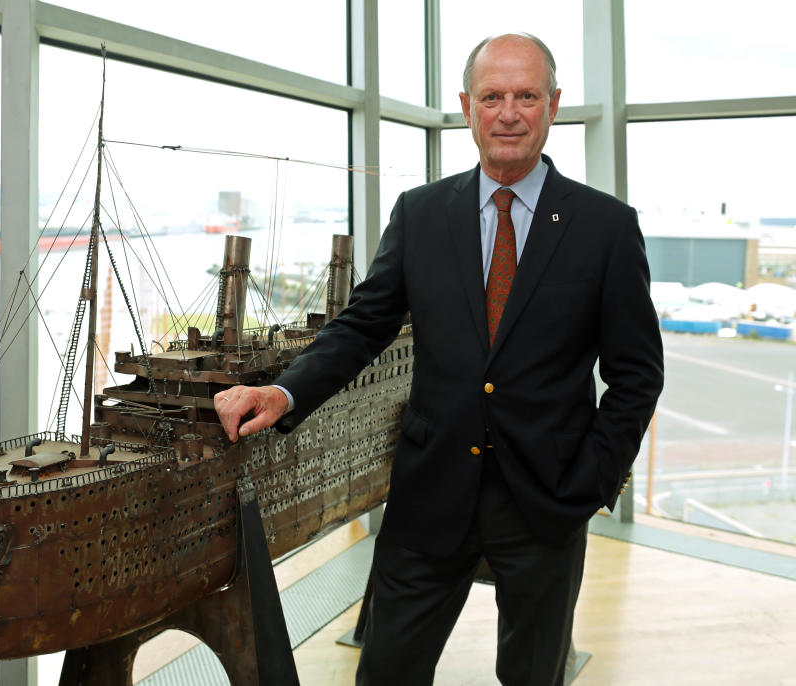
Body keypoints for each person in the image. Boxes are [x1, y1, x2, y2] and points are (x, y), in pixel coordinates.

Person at [215, 33, 663, 686]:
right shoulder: (421, 213)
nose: (509, 112)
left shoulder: (606, 227)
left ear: (554, 105)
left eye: (526, 96)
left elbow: (637, 375)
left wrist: (590, 481)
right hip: (429, 500)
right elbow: (364, 322)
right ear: (466, 106)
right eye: (493, 97)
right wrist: (284, 394)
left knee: (534, 677)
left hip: (547, 503)